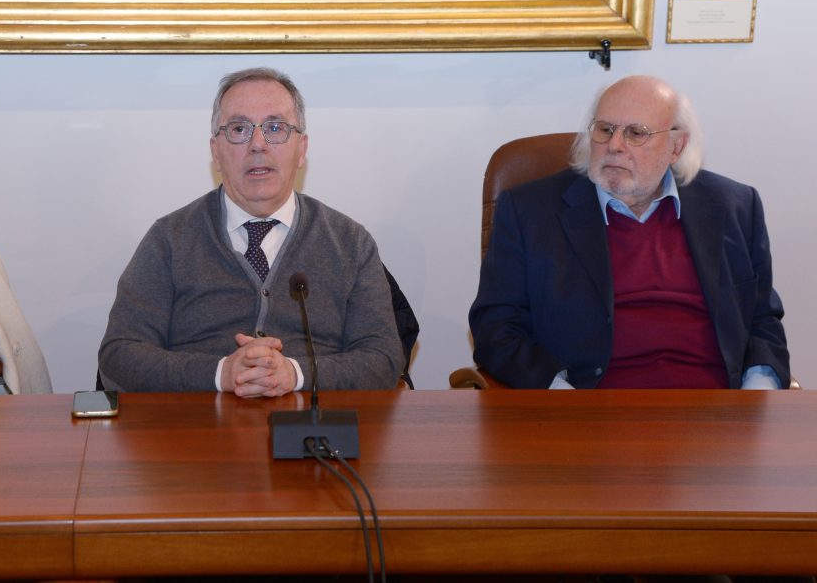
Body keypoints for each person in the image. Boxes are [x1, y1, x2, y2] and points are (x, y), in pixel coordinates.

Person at [469, 75, 789, 390]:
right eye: (605, 129)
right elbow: (496, 327)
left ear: (676, 146)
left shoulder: (734, 206)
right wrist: (561, 397)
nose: (614, 146)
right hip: (592, 410)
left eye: (636, 133)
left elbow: (762, 319)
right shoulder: (531, 211)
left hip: (714, 409)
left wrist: (755, 397)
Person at [99, 67, 404, 396]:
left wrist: (295, 374)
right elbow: (119, 355)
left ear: (301, 149)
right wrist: (221, 373)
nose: (258, 144)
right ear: (216, 152)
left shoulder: (350, 243)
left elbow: (384, 359)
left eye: (275, 128)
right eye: (239, 129)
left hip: (312, 425)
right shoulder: (169, 240)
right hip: (197, 424)